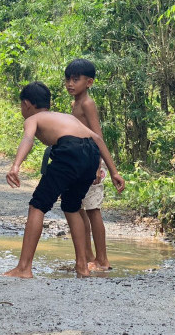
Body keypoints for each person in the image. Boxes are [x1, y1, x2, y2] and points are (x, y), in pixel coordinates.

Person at [4, 82, 125, 278]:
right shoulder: (65, 117)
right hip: (91, 153)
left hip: (70, 151)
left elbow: (28, 139)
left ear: (26, 104)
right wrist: (114, 172)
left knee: (38, 205)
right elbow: (97, 138)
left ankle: (24, 268)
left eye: (21, 106)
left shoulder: (33, 118)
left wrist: (16, 166)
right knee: (71, 206)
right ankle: (82, 266)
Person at [64, 58, 111, 271]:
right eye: (67, 79)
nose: (70, 84)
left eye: (76, 79)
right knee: (79, 208)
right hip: (78, 165)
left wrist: (98, 166)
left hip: (91, 163)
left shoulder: (87, 104)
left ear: (89, 82)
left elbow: (96, 136)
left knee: (93, 210)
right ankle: (88, 255)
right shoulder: (75, 103)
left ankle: (102, 260)